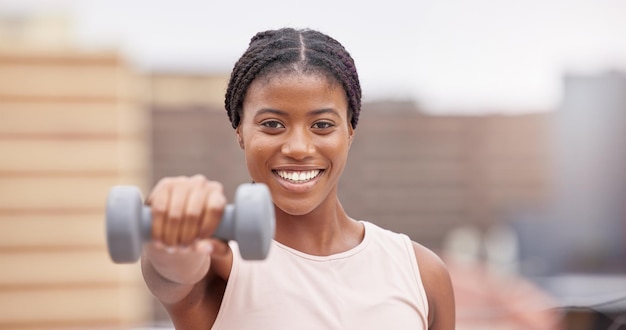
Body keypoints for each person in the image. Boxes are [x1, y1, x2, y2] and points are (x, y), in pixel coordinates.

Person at [141, 27, 455, 330]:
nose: (298, 149)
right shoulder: (217, 262)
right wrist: (171, 226)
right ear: (240, 131)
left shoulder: (421, 273)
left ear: (350, 131)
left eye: (322, 125)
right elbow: (173, 268)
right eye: (273, 124)